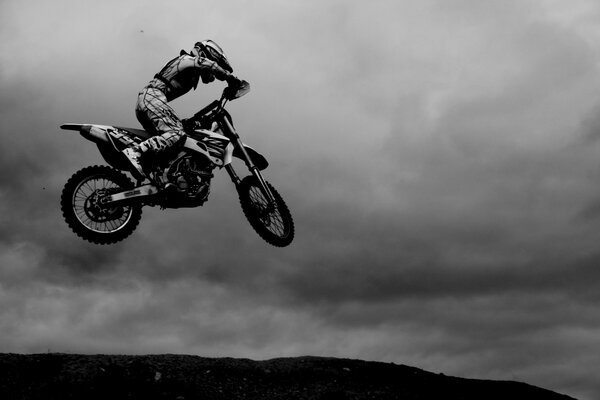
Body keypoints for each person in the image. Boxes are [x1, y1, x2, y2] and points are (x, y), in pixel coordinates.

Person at [123, 40, 241, 178]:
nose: (213, 76)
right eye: (215, 61)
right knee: (177, 133)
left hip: (151, 100)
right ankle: (136, 152)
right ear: (205, 53)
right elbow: (206, 63)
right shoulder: (186, 59)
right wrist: (230, 77)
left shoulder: (191, 74)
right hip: (152, 97)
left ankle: (160, 176)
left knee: (175, 140)